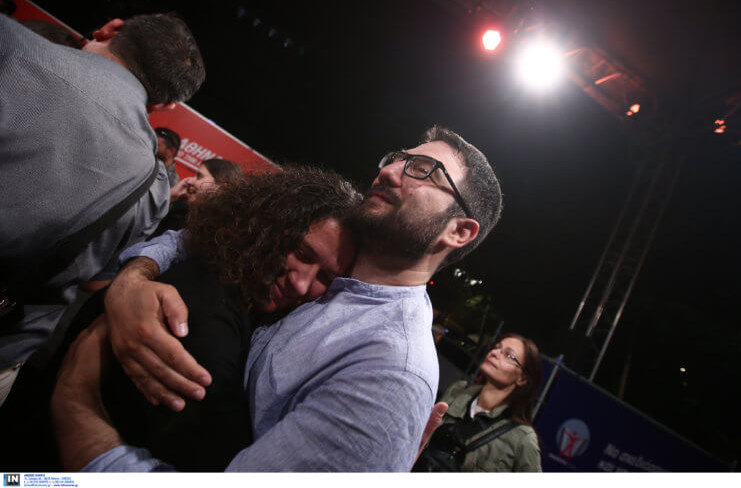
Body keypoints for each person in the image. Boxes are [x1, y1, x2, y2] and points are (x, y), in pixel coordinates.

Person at [52, 126, 504, 472]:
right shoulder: (348, 262)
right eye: (398, 159)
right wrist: (134, 278)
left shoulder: (391, 371)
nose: (387, 171)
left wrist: (76, 409)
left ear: (458, 230)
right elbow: (223, 238)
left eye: (422, 171)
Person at [0, 11, 205, 406]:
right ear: (165, 102)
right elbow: (94, 281)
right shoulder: (152, 186)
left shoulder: (9, 45)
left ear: (110, 28)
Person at [415, 332, 543, 472]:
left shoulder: (522, 438)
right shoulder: (457, 392)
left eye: (508, 355)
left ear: (522, 379)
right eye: (496, 347)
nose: (494, 353)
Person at [153, 158, 243, 237]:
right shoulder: (180, 209)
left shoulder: (221, 234)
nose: (189, 180)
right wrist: (171, 196)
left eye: (199, 176)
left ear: (221, 188)